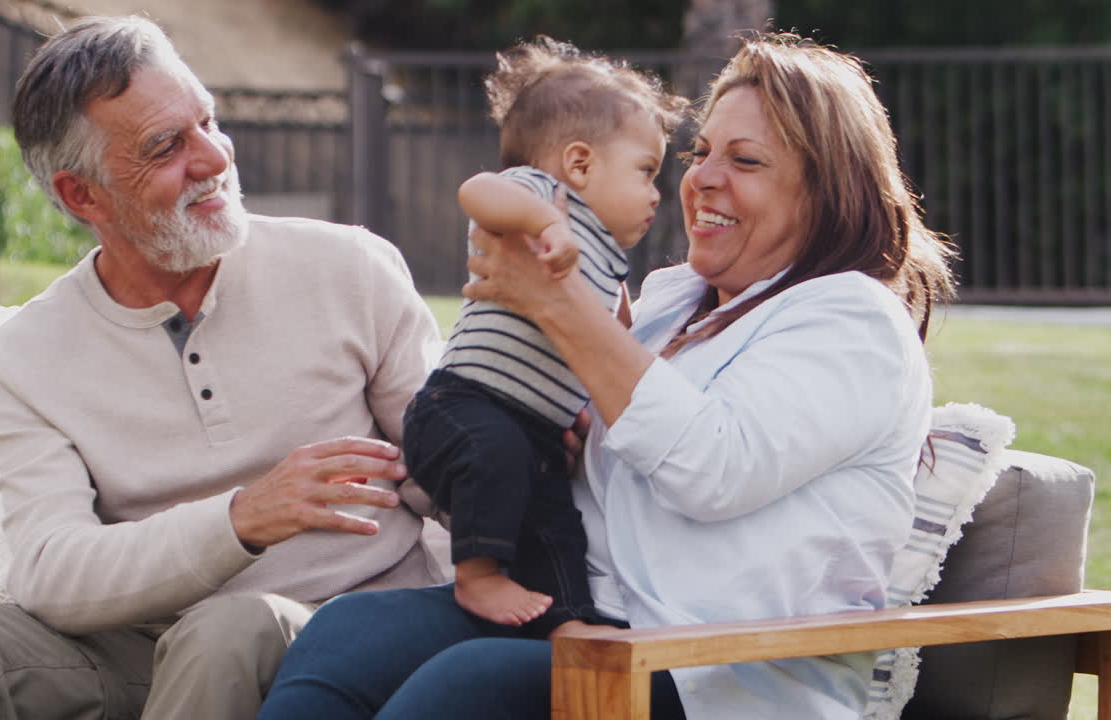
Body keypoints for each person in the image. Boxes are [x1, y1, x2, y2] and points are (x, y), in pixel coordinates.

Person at [256, 31, 956, 720]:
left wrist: (557, 303)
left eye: (745, 160)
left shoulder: (855, 321)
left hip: (718, 668)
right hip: (581, 618)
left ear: (826, 191)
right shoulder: (667, 305)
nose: (703, 178)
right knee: (345, 636)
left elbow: (713, 468)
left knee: (470, 685)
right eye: (701, 152)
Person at [0, 15, 447, 720]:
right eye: (166, 146)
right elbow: (50, 570)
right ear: (82, 196)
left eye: (207, 121)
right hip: (141, 651)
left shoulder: (350, 268)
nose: (212, 159)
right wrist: (239, 519)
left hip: (345, 627)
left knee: (224, 632)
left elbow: (451, 465)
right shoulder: (29, 353)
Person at [403, 37, 687, 634]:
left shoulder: (610, 261)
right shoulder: (542, 195)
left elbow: (616, 347)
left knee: (557, 522)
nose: (658, 194)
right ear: (580, 164)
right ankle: (476, 576)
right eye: (647, 171)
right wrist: (545, 221)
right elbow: (475, 190)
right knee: (497, 455)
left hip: (533, 434)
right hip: (463, 406)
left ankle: (568, 621)